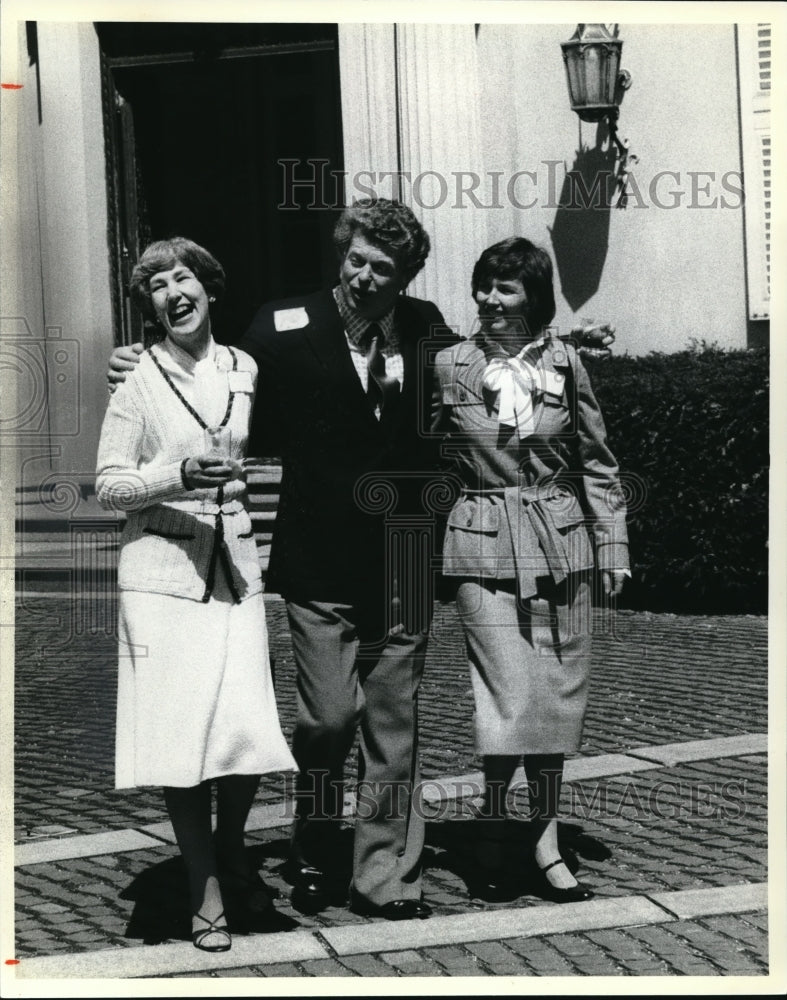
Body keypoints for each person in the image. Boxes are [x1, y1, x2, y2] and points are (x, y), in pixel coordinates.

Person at [107, 202, 615, 921]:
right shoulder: (281, 327)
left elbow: (495, 367)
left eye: (382, 267)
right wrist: (138, 357)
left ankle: (386, 879)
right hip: (316, 558)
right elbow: (214, 373)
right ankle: (316, 848)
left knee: (392, 726)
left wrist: (557, 351)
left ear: (403, 276)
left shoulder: (425, 328)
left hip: (403, 555)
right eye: (355, 260)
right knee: (326, 722)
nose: (363, 278)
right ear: (339, 257)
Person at [96, 237, 297, 952]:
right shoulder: (136, 380)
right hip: (161, 577)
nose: (173, 292)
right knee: (183, 738)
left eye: (184, 278)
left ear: (210, 289)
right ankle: (202, 884)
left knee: (242, 728)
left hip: (234, 569)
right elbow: (110, 485)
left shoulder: (243, 368)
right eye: (156, 286)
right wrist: (179, 472)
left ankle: (232, 848)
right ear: (147, 307)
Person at [431, 236, 628, 904]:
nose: (488, 298)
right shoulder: (449, 364)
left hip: (560, 540)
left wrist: (613, 542)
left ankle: (539, 839)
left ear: (532, 298)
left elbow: (597, 460)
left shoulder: (566, 364)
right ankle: (492, 821)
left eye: (505, 288)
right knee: (509, 692)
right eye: (483, 285)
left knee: (555, 695)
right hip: (480, 540)